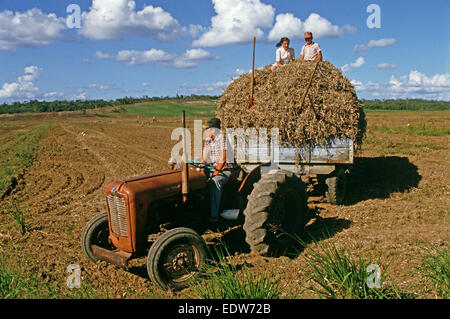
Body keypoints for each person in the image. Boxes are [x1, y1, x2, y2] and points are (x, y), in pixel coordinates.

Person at [201, 118, 234, 223]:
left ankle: (214, 215)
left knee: (215, 182)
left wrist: (214, 174)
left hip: (225, 168)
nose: (206, 131)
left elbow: (223, 160)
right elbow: (204, 157)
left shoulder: (223, 138)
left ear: (214, 130)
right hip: (212, 166)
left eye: (208, 129)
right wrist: (201, 170)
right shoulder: (208, 139)